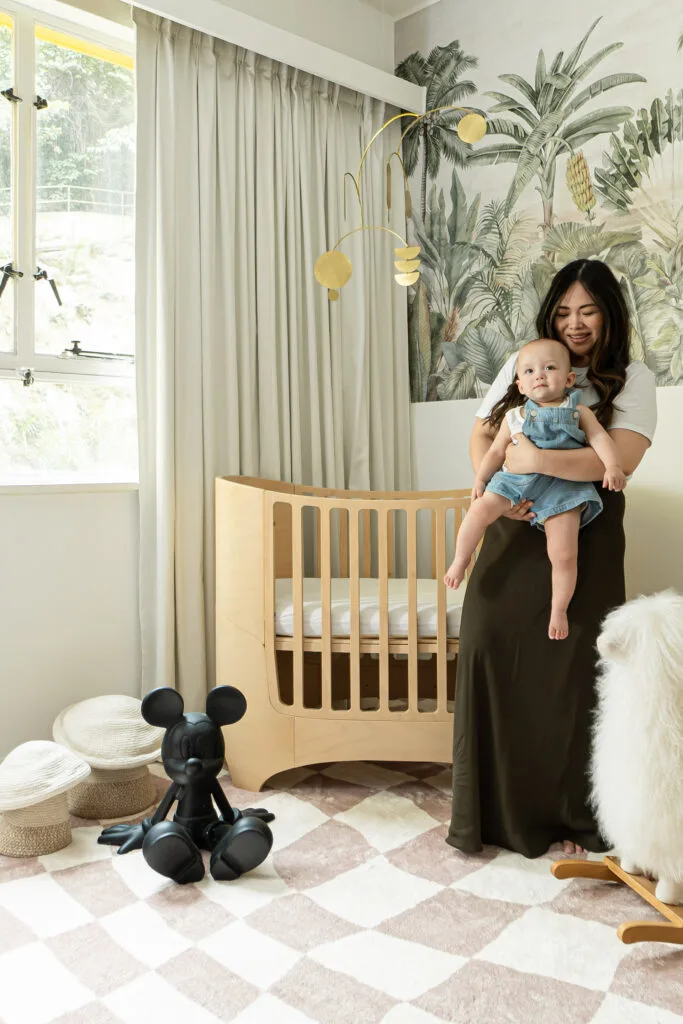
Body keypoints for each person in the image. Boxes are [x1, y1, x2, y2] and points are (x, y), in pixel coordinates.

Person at [447, 259, 657, 859]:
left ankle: (571, 813)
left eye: (588, 310)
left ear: (610, 313)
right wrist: (497, 488)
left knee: (573, 677)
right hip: (514, 530)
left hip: (583, 535)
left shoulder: (631, 378)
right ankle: (490, 813)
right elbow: (484, 434)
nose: (575, 323)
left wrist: (533, 464)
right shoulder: (528, 363)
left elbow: (612, 462)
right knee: (489, 645)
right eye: (564, 311)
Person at [443, 338, 626, 640]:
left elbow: (601, 440)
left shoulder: (579, 411)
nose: (539, 375)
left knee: (565, 553)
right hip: (517, 482)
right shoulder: (513, 416)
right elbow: (495, 453)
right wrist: (481, 480)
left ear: (568, 379)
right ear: (520, 385)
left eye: (549, 368)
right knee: (479, 509)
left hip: (564, 487)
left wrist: (612, 467)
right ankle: (461, 559)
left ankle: (559, 609)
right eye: (529, 371)